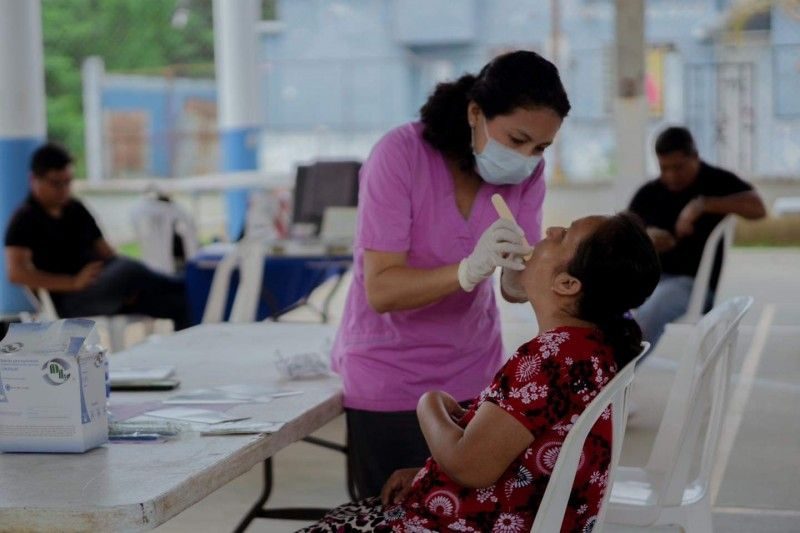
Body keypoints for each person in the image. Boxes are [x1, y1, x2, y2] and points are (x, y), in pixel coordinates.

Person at [300, 212, 661, 532]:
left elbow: (468, 466)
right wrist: (430, 477)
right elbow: (517, 456)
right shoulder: (590, 348)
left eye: (563, 235)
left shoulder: (546, 359)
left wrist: (429, 403)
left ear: (567, 285)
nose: (550, 230)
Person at [331, 50, 572, 497]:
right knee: (397, 516)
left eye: (540, 148)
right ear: (475, 113)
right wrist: (466, 270)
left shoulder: (527, 176)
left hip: (473, 376)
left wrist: (523, 274)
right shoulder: (400, 156)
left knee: (466, 515)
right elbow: (381, 289)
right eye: (517, 140)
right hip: (389, 377)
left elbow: (514, 288)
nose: (526, 159)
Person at [4, 142, 190, 330]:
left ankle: (186, 345)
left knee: (181, 304)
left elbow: (107, 252)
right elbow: (17, 273)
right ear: (34, 179)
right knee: (128, 269)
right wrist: (73, 283)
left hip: (106, 287)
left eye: (68, 182)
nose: (63, 189)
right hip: (71, 301)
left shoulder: (76, 209)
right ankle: (186, 281)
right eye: (56, 183)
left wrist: (123, 283)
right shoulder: (24, 220)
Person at [629, 126, 766, 344]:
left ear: (695, 157)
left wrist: (704, 204)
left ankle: (613, 372)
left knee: (650, 311)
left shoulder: (716, 181)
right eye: (664, 168)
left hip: (692, 285)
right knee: (598, 300)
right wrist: (645, 239)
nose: (671, 176)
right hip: (646, 278)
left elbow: (759, 208)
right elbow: (621, 236)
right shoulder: (649, 193)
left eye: (679, 167)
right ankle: (605, 367)